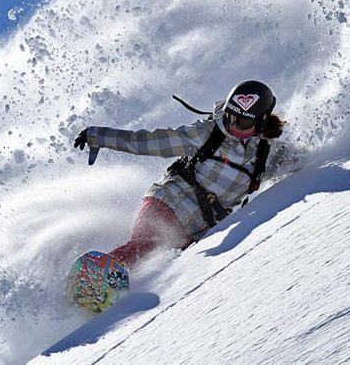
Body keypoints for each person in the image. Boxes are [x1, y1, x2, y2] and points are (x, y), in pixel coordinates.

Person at [73, 80, 285, 273]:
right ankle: (94, 275)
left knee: (157, 268)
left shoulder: (266, 155)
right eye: (230, 117)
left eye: (243, 123)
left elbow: (300, 163)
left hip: (196, 231)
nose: (234, 126)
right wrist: (98, 136)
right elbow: (149, 142)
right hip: (168, 200)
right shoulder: (207, 133)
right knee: (146, 244)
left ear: (261, 122)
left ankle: (118, 292)